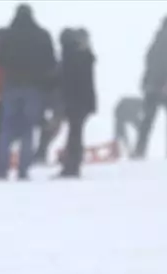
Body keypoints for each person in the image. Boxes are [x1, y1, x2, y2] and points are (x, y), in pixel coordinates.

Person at [0, 4, 58, 179]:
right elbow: (51, 62)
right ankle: (23, 170)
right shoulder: (42, 35)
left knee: (6, 129)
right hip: (33, 88)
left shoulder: (7, 35)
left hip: (11, 85)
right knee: (28, 129)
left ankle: (1, 169)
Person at [133, 15, 167, 159]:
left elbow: (149, 61)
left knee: (148, 118)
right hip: (162, 84)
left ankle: (139, 150)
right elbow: (166, 63)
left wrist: (148, 81)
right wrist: (166, 82)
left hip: (152, 84)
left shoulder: (157, 40)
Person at [56, 28, 97, 178]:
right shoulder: (86, 56)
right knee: (76, 134)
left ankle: (71, 166)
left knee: (74, 134)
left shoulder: (71, 56)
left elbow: (66, 80)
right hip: (84, 101)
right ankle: (73, 164)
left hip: (74, 101)